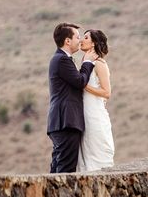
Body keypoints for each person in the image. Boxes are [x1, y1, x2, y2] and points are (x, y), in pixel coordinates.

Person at [47, 23, 97, 173]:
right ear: (67, 41)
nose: (80, 40)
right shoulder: (62, 60)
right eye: (77, 37)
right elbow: (80, 81)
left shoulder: (61, 59)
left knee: (58, 167)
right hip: (66, 121)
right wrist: (88, 62)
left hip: (61, 122)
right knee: (65, 170)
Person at [76, 29, 115, 171]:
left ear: (93, 44)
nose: (81, 40)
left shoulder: (99, 63)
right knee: (86, 150)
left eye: (85, 38)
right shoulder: (85, 62)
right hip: (84, 112)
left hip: (94, 114)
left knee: (96, 149)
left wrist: (84, 86)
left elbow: (106, 92)